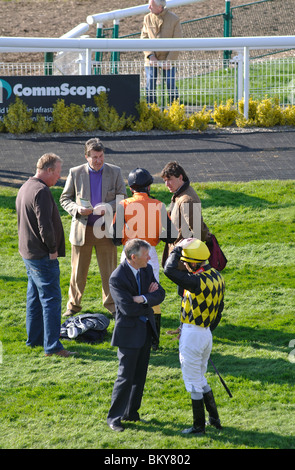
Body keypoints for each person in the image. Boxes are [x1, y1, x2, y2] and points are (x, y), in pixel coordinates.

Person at [15, 153, 75, 358]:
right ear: (48, 170)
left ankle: (34, 340)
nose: (59, 177)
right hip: (42, 256)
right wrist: (52, 250)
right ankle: (52, 347)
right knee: (51, 299)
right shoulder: (41, 191)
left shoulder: (25, 187)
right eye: (58, 172)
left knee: (34, 297)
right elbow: (45, 226)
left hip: (28, 253)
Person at [60, 138, 127, 318]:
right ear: (86, 157)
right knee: (78, 273)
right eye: (94, 157)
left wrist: (108, 206)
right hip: (83, 230)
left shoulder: (115, 171)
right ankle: (73, 306)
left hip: (106, 229)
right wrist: (77, 209)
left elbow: (123, 198)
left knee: (110, 272)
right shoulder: (75, 173)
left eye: (101, 156)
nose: (98, 160)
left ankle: (112, 305)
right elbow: (64, 199)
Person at [164, 238, 225, 435]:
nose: (183, 265)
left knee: (192, 381)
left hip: (193, 335)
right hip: (205, 334)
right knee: (200, 377)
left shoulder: (197, 281)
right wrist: (204, 328)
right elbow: (219, 311)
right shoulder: (217, 276)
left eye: (185, 262)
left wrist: (177, 249)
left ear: (194, 263)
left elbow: (169, 271)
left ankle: (198, 427)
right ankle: (214, 419)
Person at [112, 167, 177, 347]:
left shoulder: (123, 205)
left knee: (126, 293)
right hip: (149, 254)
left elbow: (116, 239)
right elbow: (171, 235)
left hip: (129, 254)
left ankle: (128, 335)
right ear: (148, 187)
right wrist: (154, 234)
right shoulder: (158, 205)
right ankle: (153, 340)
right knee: (152, 293)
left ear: (131, 188)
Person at [107, 239, 165, 432]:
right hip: (129, 334)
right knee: (125, 377)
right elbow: (127, 309)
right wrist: (147, 301)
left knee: (140, 376)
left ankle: (131, 413)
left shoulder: (146, 269)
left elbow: (160, 294)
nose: (150, 257)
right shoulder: (117, 277)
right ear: (133, 257)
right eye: (146, 255)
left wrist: (142, 298)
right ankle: (114, 418)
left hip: (145, 331)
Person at [141, 0, 182, 104]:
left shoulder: (174, 20)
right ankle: (151, 108)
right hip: (151, 59)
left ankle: (175, 108)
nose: (148, 8)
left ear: (160, 7)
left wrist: (169, 61)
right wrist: (151, 56)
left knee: (170, 83)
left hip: (168, 59)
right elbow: (144, 38)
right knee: (150, 83)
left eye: (151, 6)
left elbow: (177, 43)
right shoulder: (147, 18)